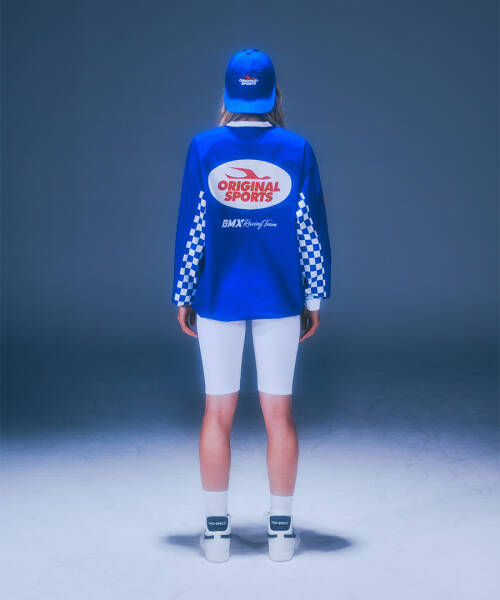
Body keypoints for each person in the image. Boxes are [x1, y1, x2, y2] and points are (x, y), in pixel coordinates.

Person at [171, 48, 332, 562]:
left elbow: (193, 228)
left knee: (217, 413)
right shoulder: (297, 149)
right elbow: (310, 231)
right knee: (278, 415)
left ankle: (216, 535)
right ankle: (281, 536)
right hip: (280, 298)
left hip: (217, 296)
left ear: (226, 95)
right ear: (274, 95)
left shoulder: (203, 147)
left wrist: (183, 294)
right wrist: (313, 298)